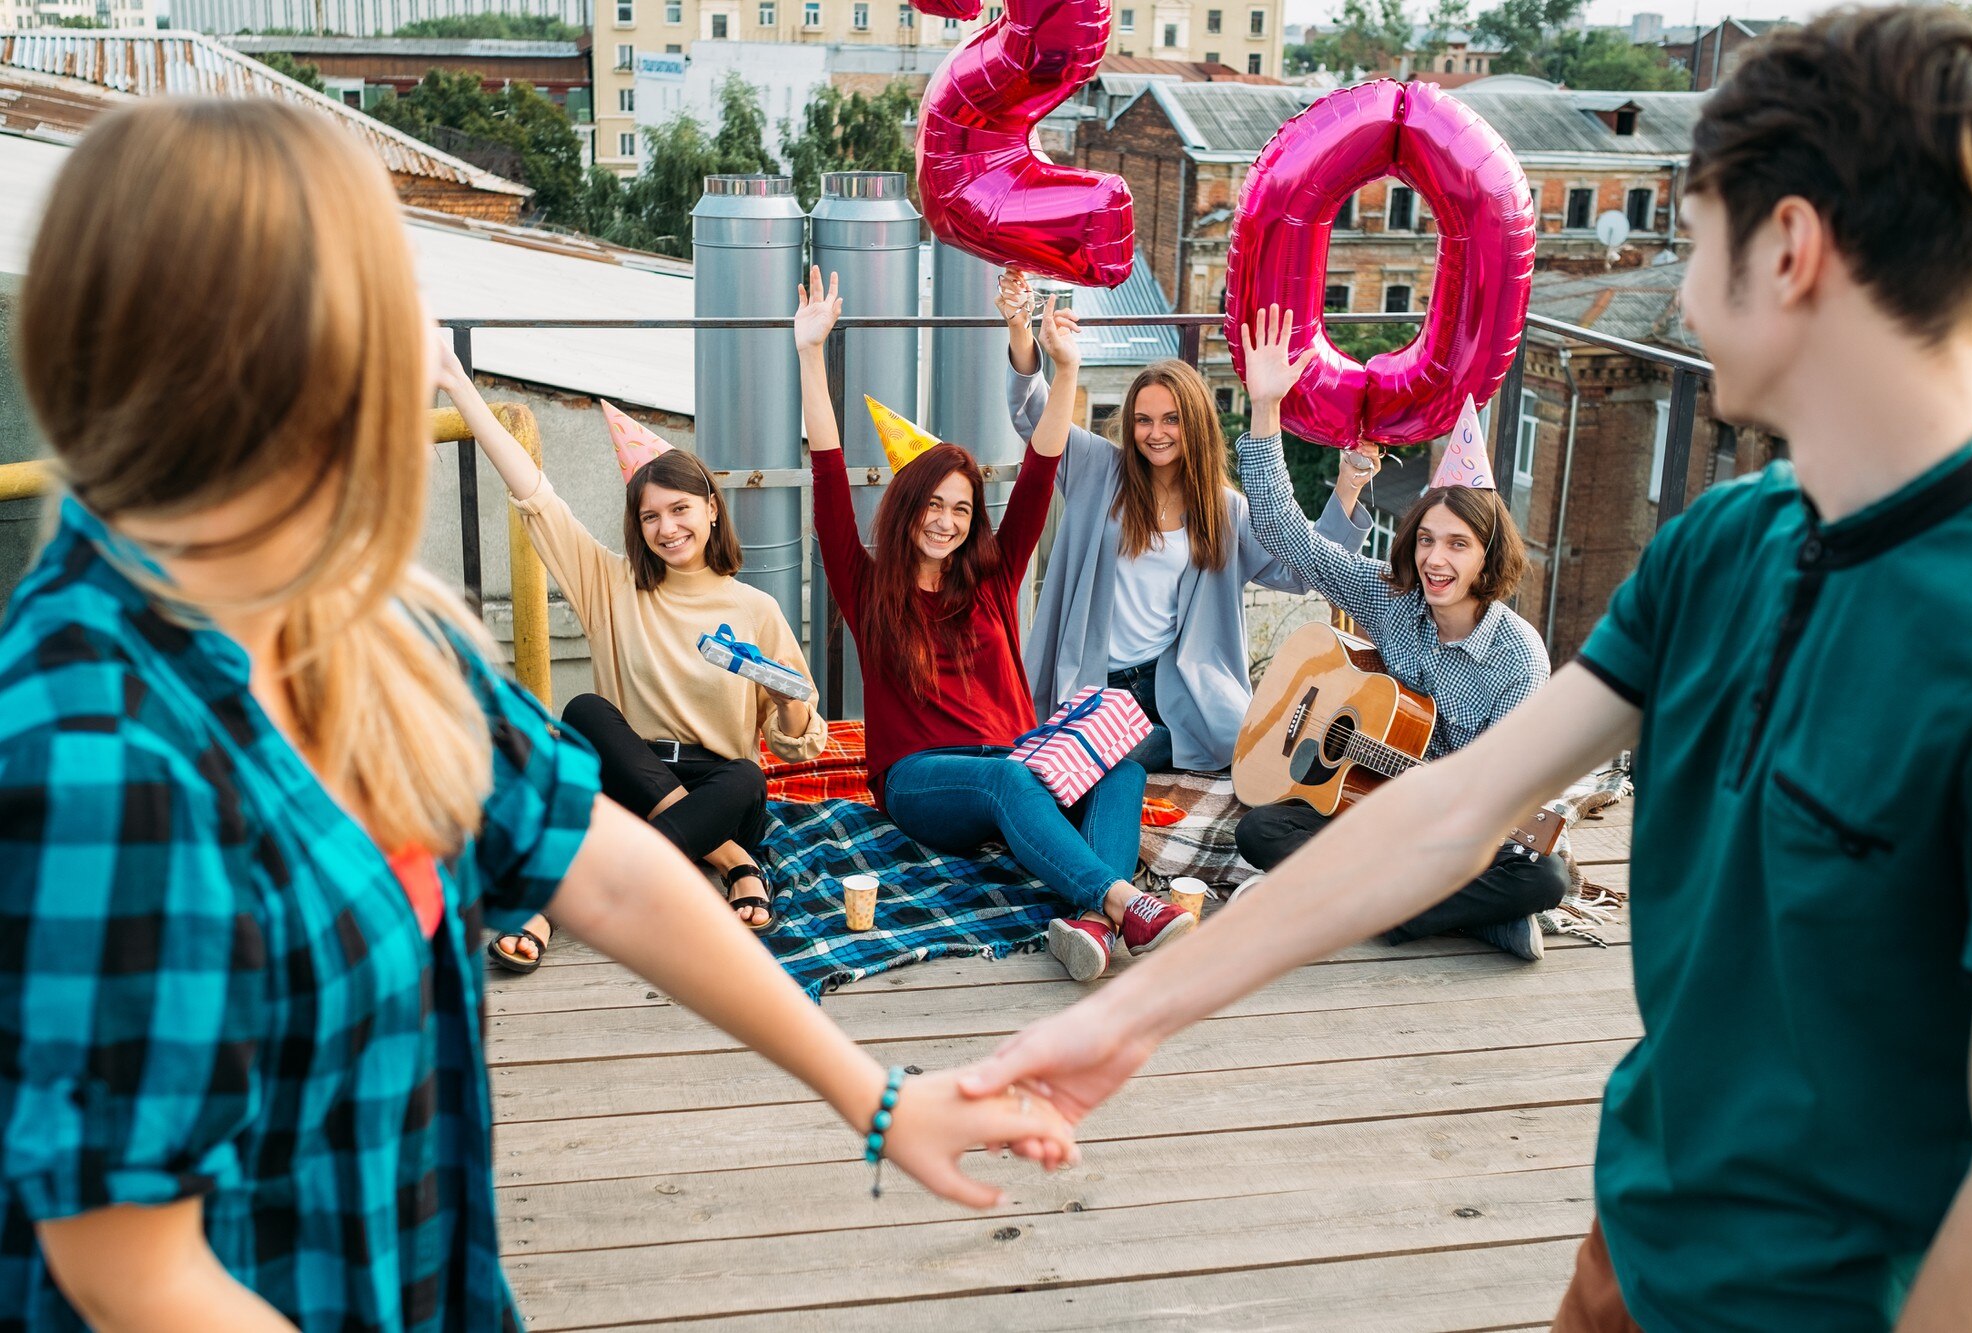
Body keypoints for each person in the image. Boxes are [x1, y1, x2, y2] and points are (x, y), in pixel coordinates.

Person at [959, 8, 1972, 1328]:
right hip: (1631, 1246)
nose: (1677, 296)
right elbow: (1446, 811)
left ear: (1790, 250)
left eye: (1694, 247)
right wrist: (1131, 1019)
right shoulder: (1722, 548)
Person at [0, 99, 1074, 1332]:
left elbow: (601, 866)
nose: (406, 351)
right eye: (374, 301)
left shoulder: (371, 628)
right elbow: (128, 1271)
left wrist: (874, 1094)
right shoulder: (89, 744)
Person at [795, 267, 1195, 984]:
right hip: (922, 780)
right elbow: (826, 473)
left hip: (1018, 762)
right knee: (1011, 781)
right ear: (906, 506)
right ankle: (1126, 900)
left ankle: (1093, 923)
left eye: (961, 508)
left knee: (1121, 770)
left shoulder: (994, 574)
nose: (947, 521)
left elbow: (1043, 464)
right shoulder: (867, 586)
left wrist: (1064, 365)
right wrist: (809, 353)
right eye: (933, 505)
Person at [443, 374, 827, 962]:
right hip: (633, 777)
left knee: (748, 777)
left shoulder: (757, 610)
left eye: (680, 509)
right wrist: (454, 380)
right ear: (637, 527)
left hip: (720, 792)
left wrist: (789, 696)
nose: (668, 528)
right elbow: (536, 496)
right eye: (651, 518)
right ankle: (735, 864)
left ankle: (560, 901)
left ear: (712, 511)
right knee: (585, 711)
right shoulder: (610, 584)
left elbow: (798, 745)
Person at [1227, 361, 1564, 961]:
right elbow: (1286, 535)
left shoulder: (1518, 658)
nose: (1436, 559)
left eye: (1458, 545)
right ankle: (1453, 916)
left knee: (1543, 877)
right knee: (1259, 830)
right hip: (1365, 812)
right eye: (1428, 539)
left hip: (1449, 834)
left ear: (1488, 560)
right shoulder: (1393, 599)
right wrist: (1266, 406)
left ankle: (1372, 906)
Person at [995, 268, 1362, 774]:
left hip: (1174, 695)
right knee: (1070, 763)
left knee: (1116, 763)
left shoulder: (1225, 510)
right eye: (1143, 420)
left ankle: (1144, 756)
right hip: (1092, 685)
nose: (1155, 433)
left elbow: (1301, 568)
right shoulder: (1098, 470)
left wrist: (1350, 484)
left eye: (1171, 419)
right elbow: (1033, 414)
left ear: (1195, 424)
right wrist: (1022, 331)